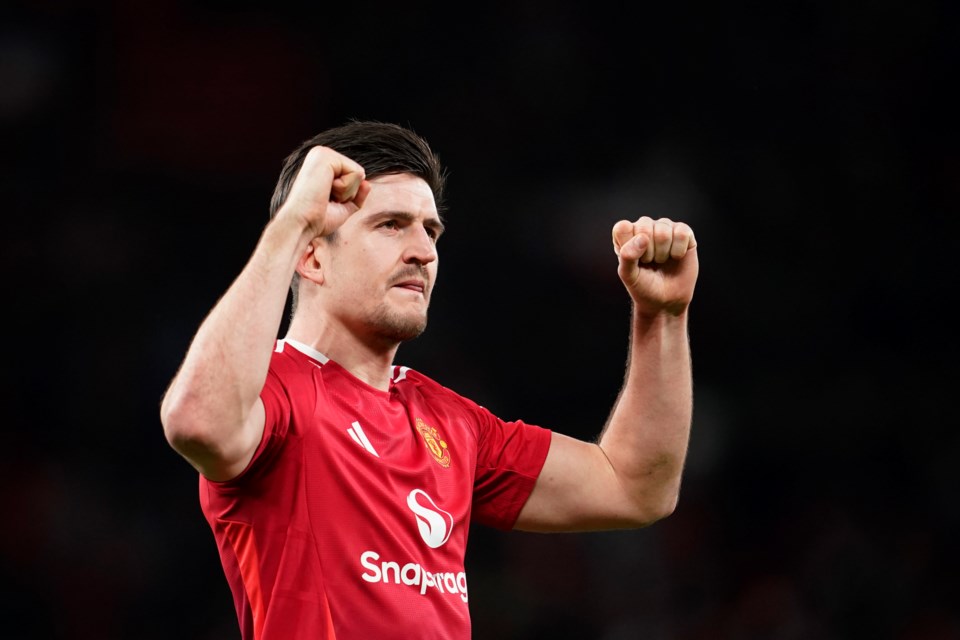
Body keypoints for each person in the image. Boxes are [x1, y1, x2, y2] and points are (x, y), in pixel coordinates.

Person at [160, 119, 699, 639]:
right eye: (391, 224)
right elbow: (198, 421)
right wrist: (292, 221)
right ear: (312, 257)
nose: (424, 251)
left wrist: (663, 319)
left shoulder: (449, 421)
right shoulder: (276, 391)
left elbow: (636, 487)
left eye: (431, 230)